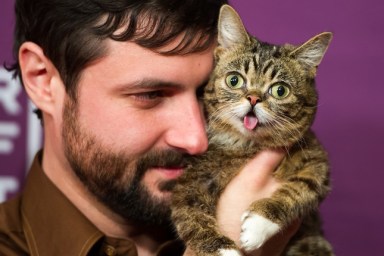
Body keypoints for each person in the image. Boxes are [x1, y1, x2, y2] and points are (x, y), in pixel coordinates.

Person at [0, 0, 299, 255]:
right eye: (150, 95)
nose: (196, 139)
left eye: (207, 91)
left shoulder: (281, 236)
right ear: (42, 79)